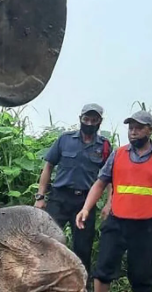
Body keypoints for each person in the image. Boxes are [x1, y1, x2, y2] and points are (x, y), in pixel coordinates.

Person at [76, 110, 152, 292]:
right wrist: (86, 208)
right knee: (104, 267)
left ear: (150, 130)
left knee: (143, 272)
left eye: (138, 127)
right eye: (131, 127)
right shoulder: (118, 155)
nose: (133, 131)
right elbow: (100, 183)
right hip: (117, 221)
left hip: (146, 225)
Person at [35, 103, 112, 279]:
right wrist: (40, 197)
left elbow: (108, 177)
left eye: (94, 120)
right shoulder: (65, 139)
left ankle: (82, 287)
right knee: (48, 241)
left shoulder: (105, 146)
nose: (90, 123)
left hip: (85, 202)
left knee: (83, 247)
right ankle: (43, 280)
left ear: (100, 122)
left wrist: (109, 202)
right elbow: (48, 167)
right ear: (80, 119)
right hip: (59, 199)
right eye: (86, 119)